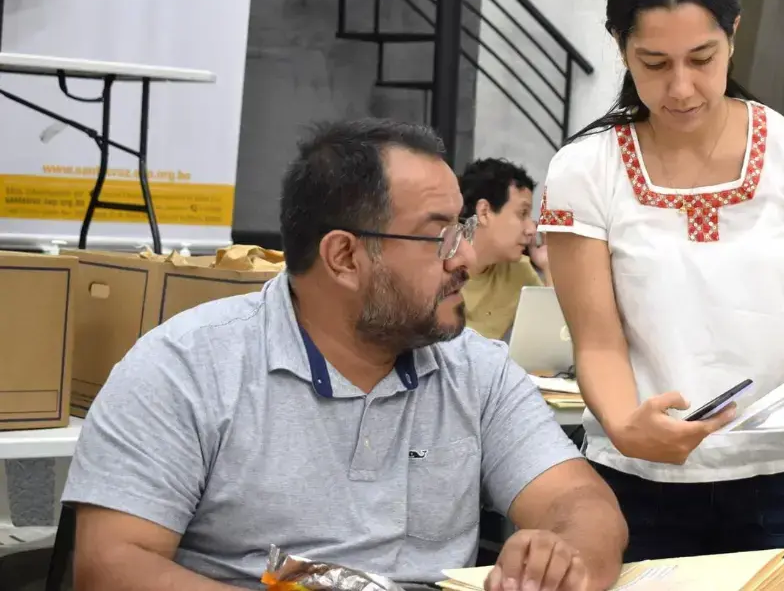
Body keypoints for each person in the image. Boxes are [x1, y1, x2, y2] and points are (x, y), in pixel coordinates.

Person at [62, 119, 627, 591]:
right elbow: (111, 565)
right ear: (344, 257)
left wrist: (561, 555)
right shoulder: (186, 366)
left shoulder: (475, 370)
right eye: (441, 238)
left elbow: (583, 502)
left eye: (464, 230)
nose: (465, 259)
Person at [537, 0, 784, 588]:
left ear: (733, 34)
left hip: (779, 481)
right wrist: (628, 429)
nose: (681, 87)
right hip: (638, 486)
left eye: (702, 58)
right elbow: (597, 339)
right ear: (621, 48)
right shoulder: (585, 171)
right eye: (654, 63)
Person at [458, 157, 551, 341]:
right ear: (484, 212)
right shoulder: (434, 268)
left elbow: (551, 342)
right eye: (522, 213)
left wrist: (549, 267)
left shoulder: (518, 272)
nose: (532, 229)